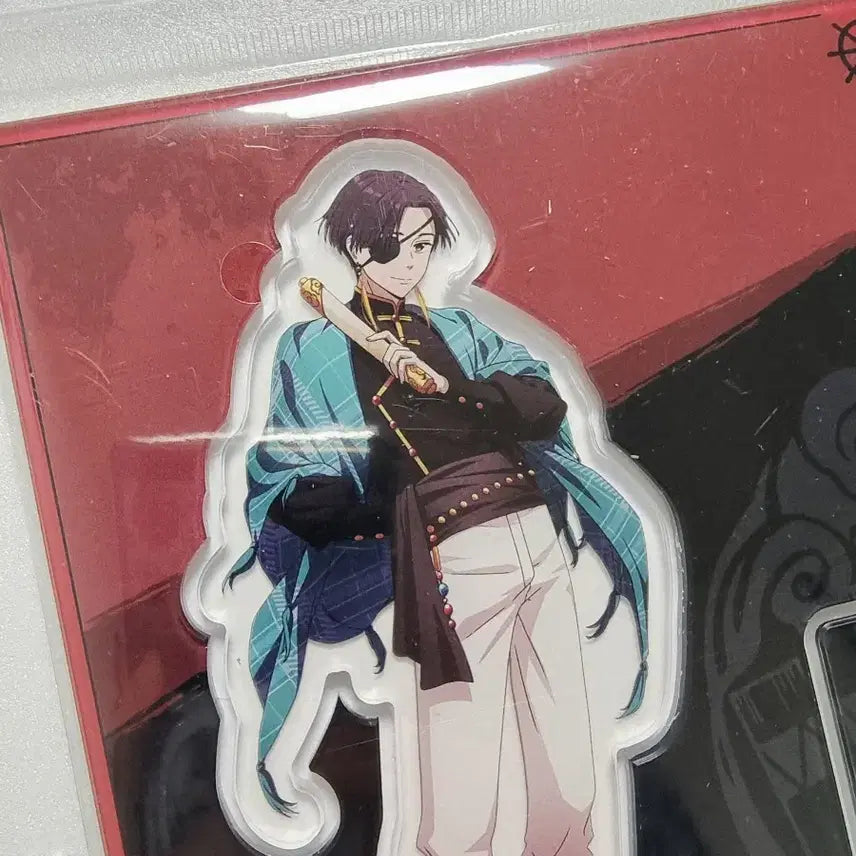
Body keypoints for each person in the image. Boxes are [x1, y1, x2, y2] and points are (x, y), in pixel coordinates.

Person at [227, 168, 649, 856]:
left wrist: (460, 394)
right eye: (399, 246)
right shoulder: (316, 347)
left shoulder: (458, 329)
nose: (414, 262)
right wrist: (376, 500)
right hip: (450, 555)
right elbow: (295, 478)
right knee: (462, 793)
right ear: (357, 249)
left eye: (424, 245)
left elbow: (543, 402)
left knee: (570, 775)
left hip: (535, 538)